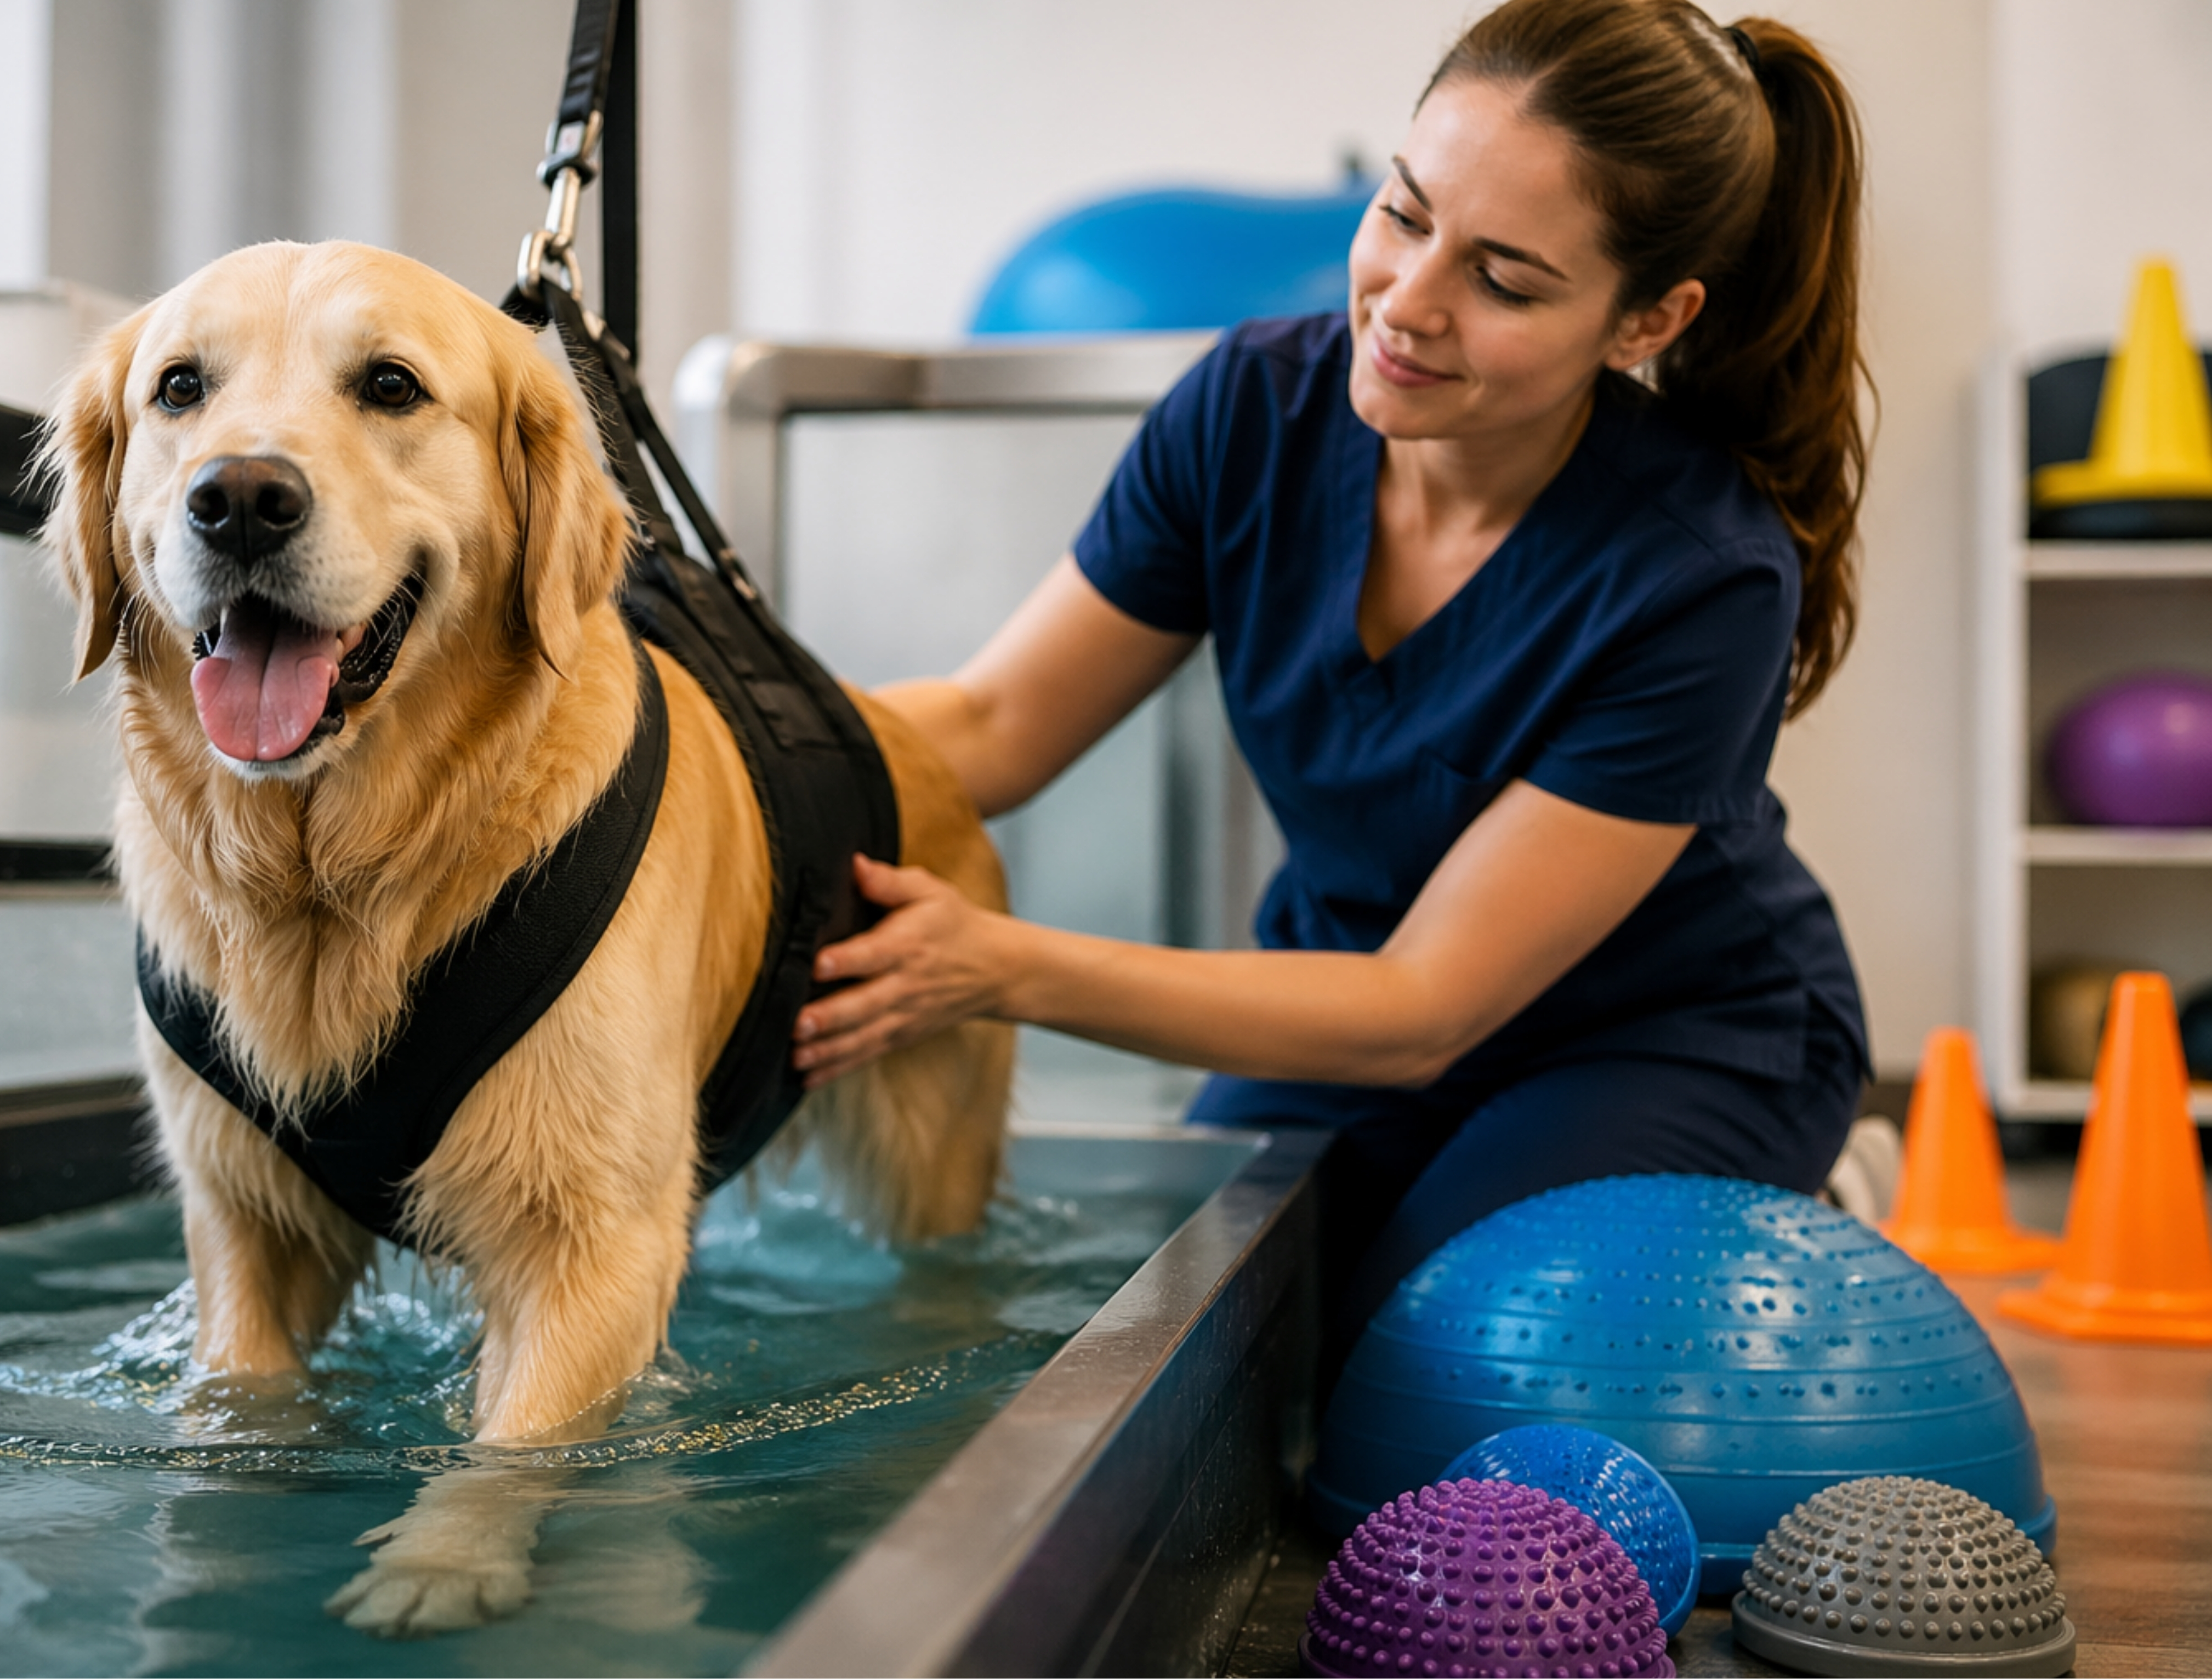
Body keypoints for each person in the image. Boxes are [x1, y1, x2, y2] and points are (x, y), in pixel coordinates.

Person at [793, 0, 1873, 1369]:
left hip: (1669, 1032)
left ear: (1645, 319)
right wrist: (732, 742)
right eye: (1405, 214)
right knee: (1179, 1350)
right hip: (1345, 988)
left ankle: (1806, 1182)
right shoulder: (1251, 408)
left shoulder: (1703, 573)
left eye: (1506, 280)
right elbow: (992, 725)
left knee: (1422, 1369)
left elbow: (1430, 1006)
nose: (1408, 305)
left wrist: (997, 967)